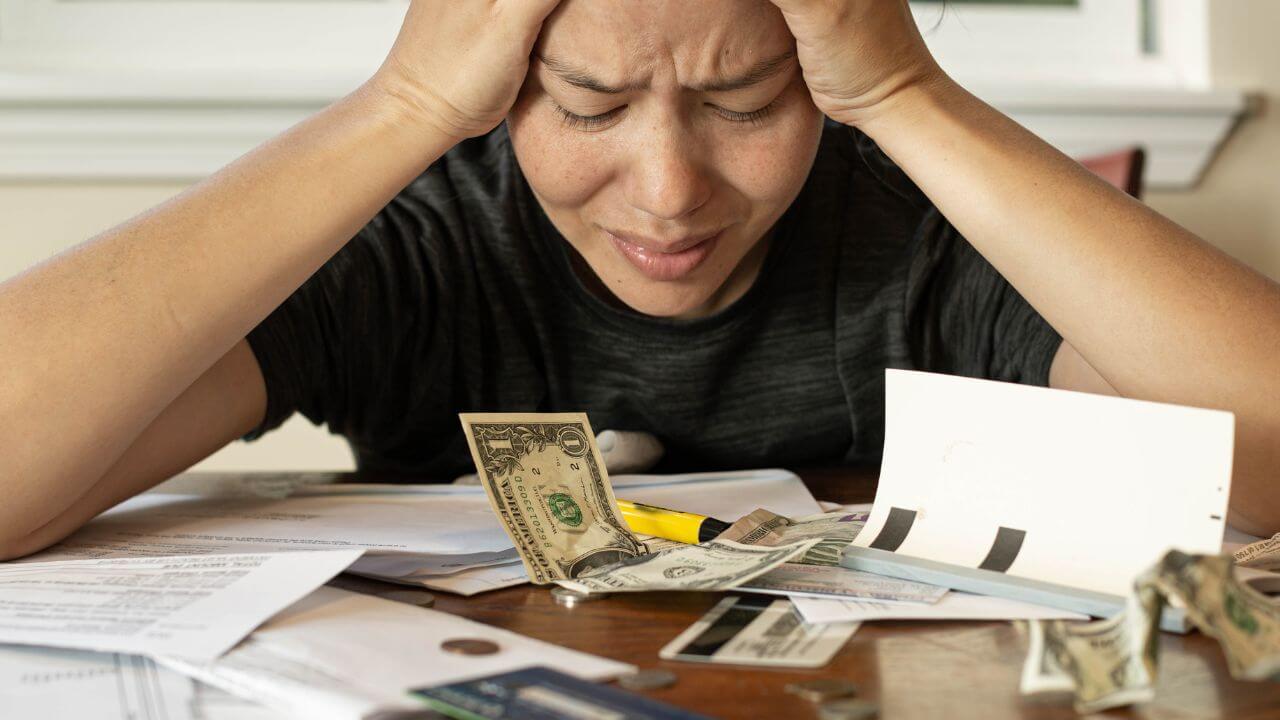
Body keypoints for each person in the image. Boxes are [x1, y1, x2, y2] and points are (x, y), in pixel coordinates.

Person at [2, 0, 1278, 562]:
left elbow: (1264, 458)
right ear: (498, 98)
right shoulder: (424, 239)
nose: (669, 192)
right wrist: (398, 106)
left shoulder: (922, 224)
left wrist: (908, 97)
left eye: (743, 101)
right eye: (588, 104)